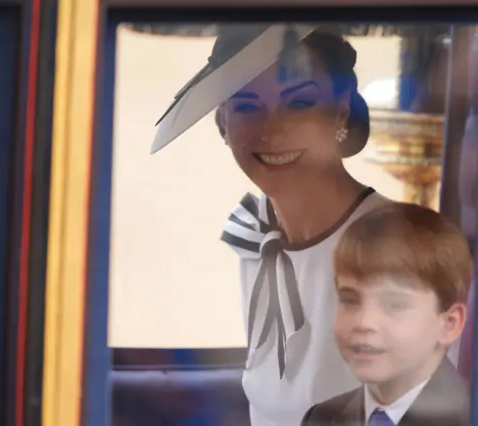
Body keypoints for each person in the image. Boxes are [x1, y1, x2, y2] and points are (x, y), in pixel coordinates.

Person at [152, 25, 391, 426]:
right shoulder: (255, 240)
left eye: (299, 103)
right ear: (224, 124)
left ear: (341, 110)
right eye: (247, 107)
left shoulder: (396, 247)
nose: (273, 129)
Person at [302, 202, 472, 426]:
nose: (364, 322)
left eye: (394, 304)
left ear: (449, 324)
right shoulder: (321, 418)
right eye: (350, 300)